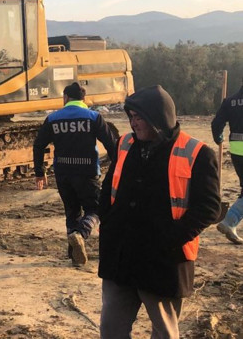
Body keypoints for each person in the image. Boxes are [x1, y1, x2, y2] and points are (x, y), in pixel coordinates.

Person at [98, 85, 221, 338]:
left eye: (139, 117)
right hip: (120, 258)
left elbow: (209, 207)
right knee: (111, 330)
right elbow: (108, 188)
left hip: (163, 263)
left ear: (157, 117)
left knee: (164, 332)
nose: (133, 123)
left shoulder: (198, 153)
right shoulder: (125, 144)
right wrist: (108, 223)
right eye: (131, 117)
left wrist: (170, 239)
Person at [33, 82, 117, 266]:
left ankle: (74, 256)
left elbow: (38, 145)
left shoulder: (53, 118)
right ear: (83, 99)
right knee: (95, 209)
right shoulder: (93, 117)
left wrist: (40, 172)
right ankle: (80, 233)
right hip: (87, 173)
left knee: (72, 212)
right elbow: (112, 144)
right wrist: (117, 169)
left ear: (66, 97)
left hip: (63, 174)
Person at [213, 76, 243, 244]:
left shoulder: (230, 101)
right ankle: (230, 221)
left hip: (237, 151)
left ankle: (231, 222)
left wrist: (218, 137)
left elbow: (216, 123)